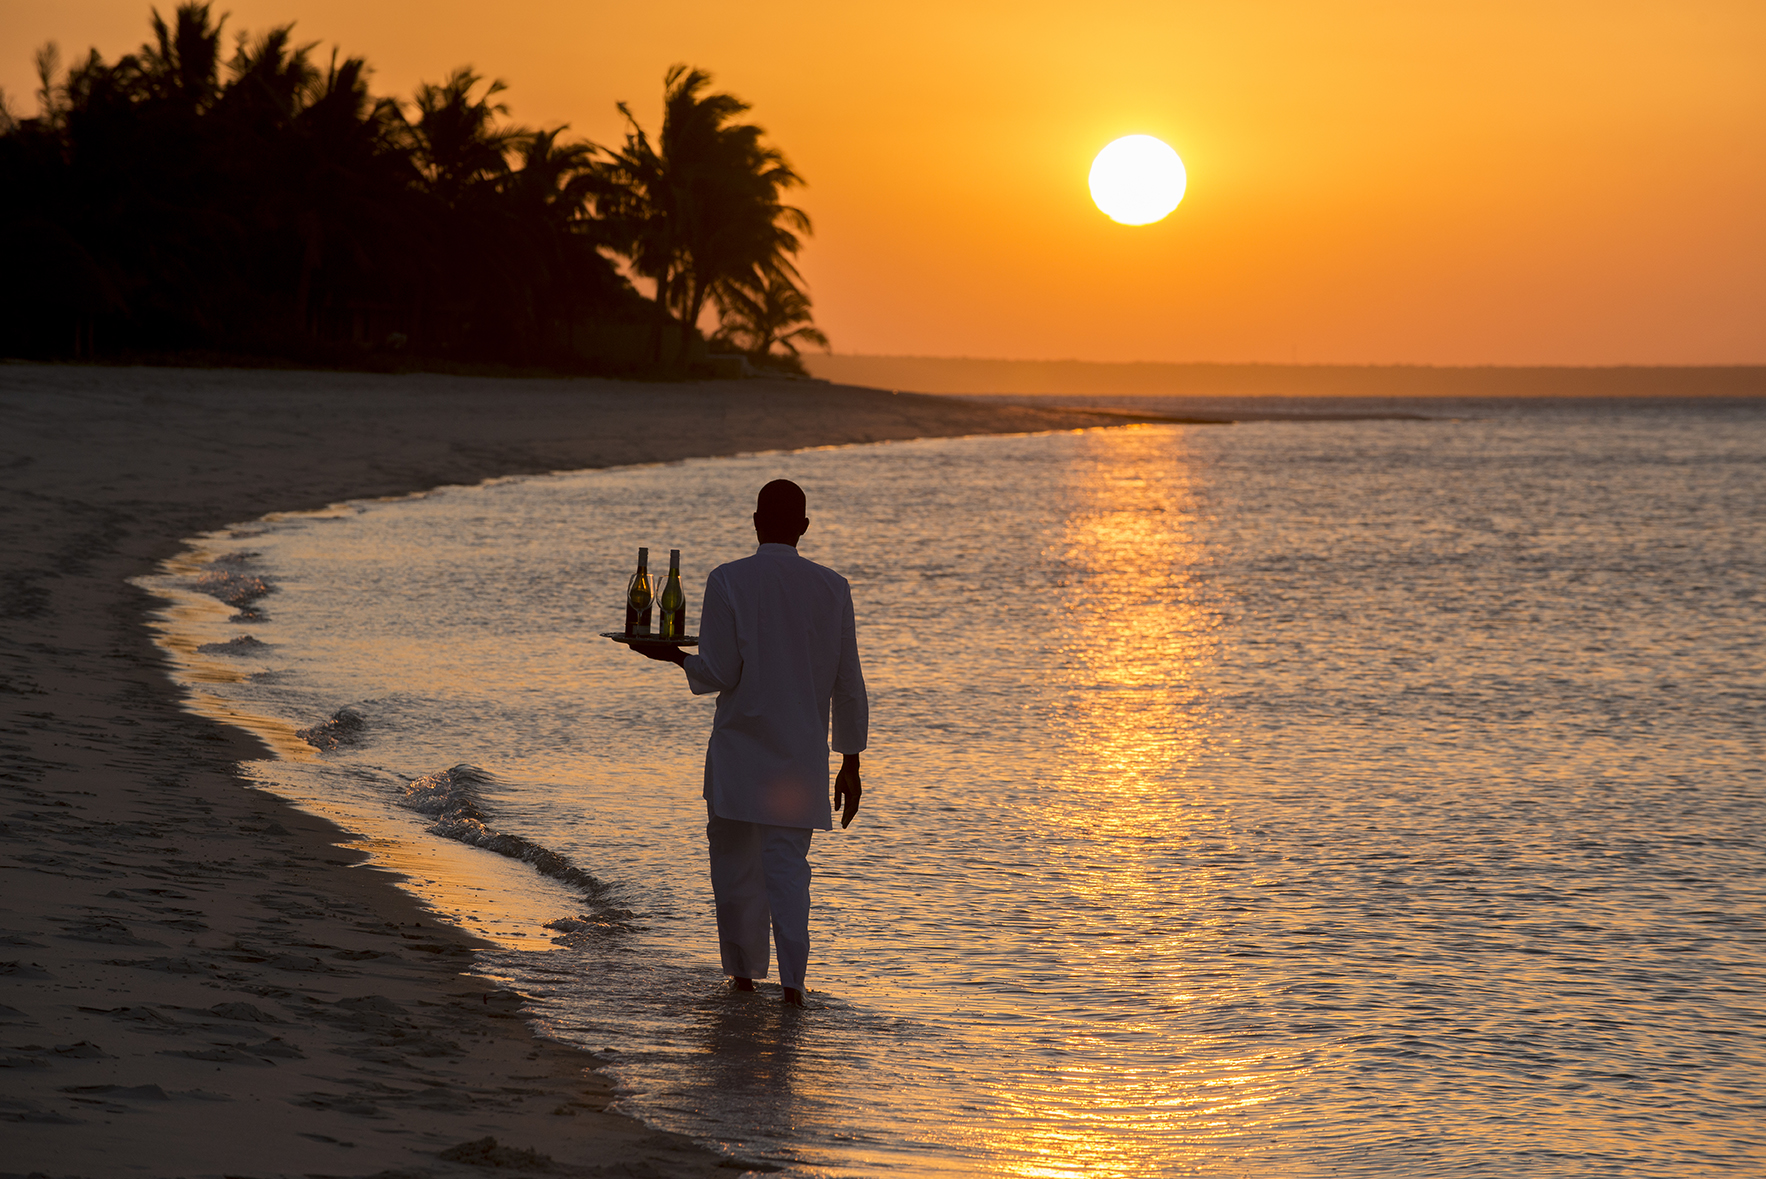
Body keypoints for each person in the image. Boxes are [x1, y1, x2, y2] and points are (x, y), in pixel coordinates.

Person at [630, 479, 867, 1006]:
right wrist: (850, 762)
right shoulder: (834, 587)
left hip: (740, 758)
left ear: (756, 521)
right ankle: (793, 987)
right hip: (798, 761)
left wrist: (671, 656)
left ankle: (741, 980)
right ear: (803, 527)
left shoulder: (728, 580)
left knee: (736, 873)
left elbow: (718, 671)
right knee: (788, 874)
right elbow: (849, 681)